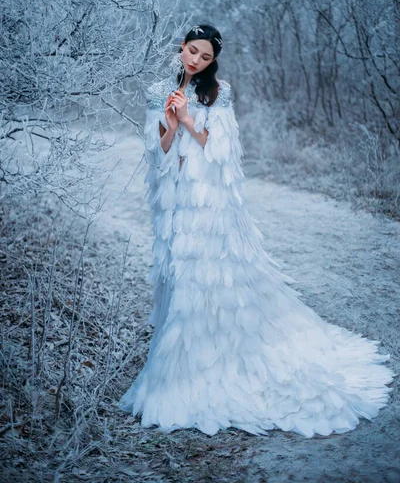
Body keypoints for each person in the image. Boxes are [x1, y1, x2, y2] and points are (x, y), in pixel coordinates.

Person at [118, 24, 396, 437]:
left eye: (205, 57)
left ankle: (203, 366)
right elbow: (155, 155)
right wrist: (172, 124)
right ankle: (184, 359)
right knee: (181, 276)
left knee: (210, 276)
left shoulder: (220, 92)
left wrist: (191, 121)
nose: (196, 60)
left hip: (211, 203)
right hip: (175, 205)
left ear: (214, 62)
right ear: (181, 48)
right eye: (192, 51)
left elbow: (223, 151)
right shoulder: (159, 89)